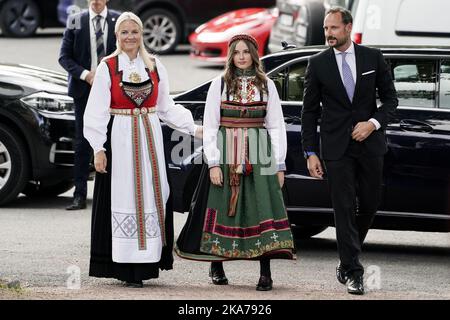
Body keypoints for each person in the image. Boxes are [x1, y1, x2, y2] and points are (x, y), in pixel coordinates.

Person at [83, 11, 201, 288]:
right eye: (124, 32)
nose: (130, 37)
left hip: (149, 140)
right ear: (117, 37)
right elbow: (95, 111)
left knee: (152, 192)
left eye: (134, 31)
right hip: (121, 139)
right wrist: (98, 148)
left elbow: (166, 107)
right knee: (123, 195)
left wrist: (194, 128)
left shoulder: (155, 65)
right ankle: (124, 266)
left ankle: (147, 263)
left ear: (142, 34)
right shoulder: (108, 67)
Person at [176, 34, 295, 291]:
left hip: (259, 153)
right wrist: (214, 163)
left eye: (246, 51)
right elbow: (210, 125)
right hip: (226, 149)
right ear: (231, 56)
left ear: (254, 53)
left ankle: (265, 272)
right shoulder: (219, 84)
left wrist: (279, 163)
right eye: (237, 52)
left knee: (261, 206)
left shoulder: (267, 85)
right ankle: (216, 264)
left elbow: (275, 125)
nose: (242, 56)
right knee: (222, 205)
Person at [301, 7, 398, 295]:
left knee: (368, 205)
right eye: (325, 29)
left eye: (333, 28)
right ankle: (354, 271)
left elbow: (391, 101)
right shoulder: (317, 63)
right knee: (343, 208)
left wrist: (372, 123)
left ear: (348, 27)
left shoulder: (373, 58)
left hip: (370, 145)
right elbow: (309, 113)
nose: (328, 34)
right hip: (335, 148)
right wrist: (310, 152)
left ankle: (346, 260)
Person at [59, 0, 120, 210]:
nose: (95, 1)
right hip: (83, 90)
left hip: (113, 91)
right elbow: (64, 57)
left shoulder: (118, 19)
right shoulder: (76, 20)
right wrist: (86, 75)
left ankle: (111, 194)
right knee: (83, 142)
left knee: (113, 140)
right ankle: (79, 194)